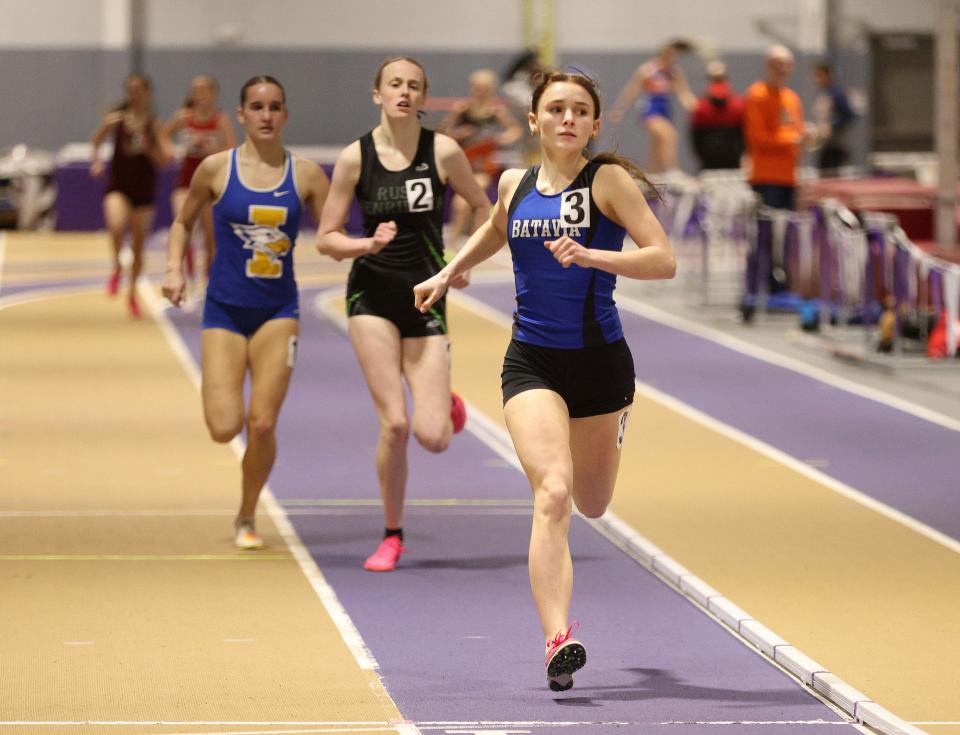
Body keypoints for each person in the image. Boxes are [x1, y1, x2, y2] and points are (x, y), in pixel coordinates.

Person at [413, 70, 676, 691]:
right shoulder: (515, 181)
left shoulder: (607, 181)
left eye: (578, 111)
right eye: (554, 109)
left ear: (592, 123)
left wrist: (592, 255)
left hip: (601, 362)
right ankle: (558, 638)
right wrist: (447, 274)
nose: (565, 119)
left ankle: (611, 430)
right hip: (532, 360)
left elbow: (661, 258)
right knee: (552, 493)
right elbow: (497, 228)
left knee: (592, 501)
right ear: (532, 120)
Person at [315, 57, 490, 573]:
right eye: (395, 84)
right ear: (378, 94)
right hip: (370, 297)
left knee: (432, 436)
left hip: (426, 299)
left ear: (424, 96)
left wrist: (459, 262)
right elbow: (327, 237)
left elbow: (484, 208)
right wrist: (366, 242)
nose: (404, 93)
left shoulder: (444, 150)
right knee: (394, 423)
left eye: (414, 86)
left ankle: (447, 404)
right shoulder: (355, 158)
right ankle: (392, 535)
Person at [161, 76, 330, 549]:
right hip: (224, 309)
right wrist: (175, 269)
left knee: (262, 422)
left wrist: (367, 246)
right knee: (223, 427)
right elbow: (182, 221)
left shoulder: (307, 174)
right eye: (257, 106)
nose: (266, 115)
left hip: (279, 310)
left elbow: (336, 229)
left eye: (275, 106)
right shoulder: (216, 169)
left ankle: (247, 513)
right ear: (241, 115)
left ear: (285, 115)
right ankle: (246, 506)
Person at [90, 73, 172, 318]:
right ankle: (116, 265)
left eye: (139, 90)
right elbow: (95, 140)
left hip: (144, 190)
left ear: (148, 93)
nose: (134, 94)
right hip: (118, 186)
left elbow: (165, 160)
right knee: (115, 226)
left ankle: (133, 294)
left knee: (138, 246)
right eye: (130, 89)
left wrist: (148, 147)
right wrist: (96, 162)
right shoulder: (116, 120)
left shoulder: (154, 124)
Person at [164, 75, 236, 291]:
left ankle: (208, 280)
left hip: (211, 186)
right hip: (186, 182)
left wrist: (211, 149)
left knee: (210, 236)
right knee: (183, 224)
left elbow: (233, 150)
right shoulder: (183, 117)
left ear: (213, 93)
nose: (200, 94)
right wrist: (170, 151)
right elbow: (161, 135)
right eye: (196, 90)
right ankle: (187, 274)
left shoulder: (221, 120)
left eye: (205, 90)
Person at [438, 68, 522, 242]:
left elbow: (515, 130)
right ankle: (457, 240)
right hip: (463, 165)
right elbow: (443, 131)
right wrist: (460, 133)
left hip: (483, 167)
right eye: (477, 88)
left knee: (472, 203)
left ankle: (474, 240)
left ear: (491, 90)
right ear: (471, 88)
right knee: (462, 205)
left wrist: (500, 138)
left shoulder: (496, 111)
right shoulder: (462, 109)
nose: (481, 93)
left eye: (485, 89)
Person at [610, 39, 697, 174]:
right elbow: (632, 90)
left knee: (656, 144)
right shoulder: (648, 70)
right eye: (670, 56)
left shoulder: (674, 73)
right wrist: (619, 109)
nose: (672, 60)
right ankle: (673, 171)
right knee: (669, 135)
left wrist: (695, 106)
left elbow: (683, 93)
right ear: (663, 55)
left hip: (665, 110)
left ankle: (652, 174)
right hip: (650, 109)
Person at [742, 45, 806, 210]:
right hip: (766, 177)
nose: (783, 69)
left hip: (790, 177)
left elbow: (797, 133)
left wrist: (807, 136)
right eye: (778, 64)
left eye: (787, 64)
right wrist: (793, 140)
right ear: (768, 66)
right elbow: (757, 138)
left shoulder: (792, 98)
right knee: (767, 232)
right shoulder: (757, 95)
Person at [690, 61, 744, 171]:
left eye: (720, 77)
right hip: (709, 166)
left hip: (732, 165)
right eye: (714, 78)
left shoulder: (738, 105)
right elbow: (696, 139)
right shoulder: (701, 108)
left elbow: (744, 135)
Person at [811, 61, 856, 174]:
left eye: (819, 75)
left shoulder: (837, 93)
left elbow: (849, 115)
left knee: (830, 176)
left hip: (836, 145)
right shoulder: (825, 92)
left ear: (828, 75)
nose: (816, 79)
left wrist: (832, 126)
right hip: (827, 144)